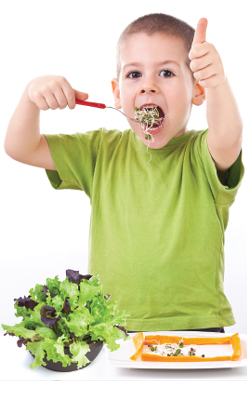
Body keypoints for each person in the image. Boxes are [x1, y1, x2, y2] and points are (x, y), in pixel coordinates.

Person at [4, 14, 244, 333]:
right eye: (134, 74)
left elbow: (228, 135)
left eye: (167, 72)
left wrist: (217, 82)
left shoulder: (203, 152)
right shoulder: (101, 150)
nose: (148, 85)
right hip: (109, 327)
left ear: (197, 90)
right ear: (117, 94)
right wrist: (30, 97)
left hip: (194, 326)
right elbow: (21, 147)